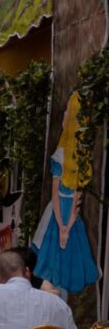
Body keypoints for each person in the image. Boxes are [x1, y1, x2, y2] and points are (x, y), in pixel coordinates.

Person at [31, 92, 99, 295]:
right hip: (69, 216)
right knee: (65, 262)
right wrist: (68, 226)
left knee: (53, 262)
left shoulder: (60, 156)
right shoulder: (81, 157)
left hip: (58, 214)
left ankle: (57, 303)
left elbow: (56, 195)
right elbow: (76, 199)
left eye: (68, 111)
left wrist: (62, 227)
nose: (64, 114)